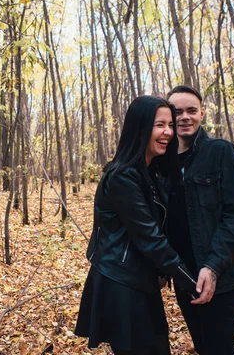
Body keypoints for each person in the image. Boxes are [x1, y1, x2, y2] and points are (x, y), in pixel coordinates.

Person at [75, 95, 198, 355]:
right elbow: (149, 236)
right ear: (140, 128)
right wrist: (189, 280)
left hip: (140, 280)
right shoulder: (123, 177)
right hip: (121, 283)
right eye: (159, 125)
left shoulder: (150, 172)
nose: (168, 132)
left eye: (170, 125)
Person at [166, 84, 234, 355]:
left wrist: (212, 267)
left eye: (191, 110)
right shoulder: (161, 164)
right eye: (177, 112)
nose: (184, 117)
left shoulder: (221, 152)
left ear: (202, 114)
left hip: (221, 279)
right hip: (185, 279)